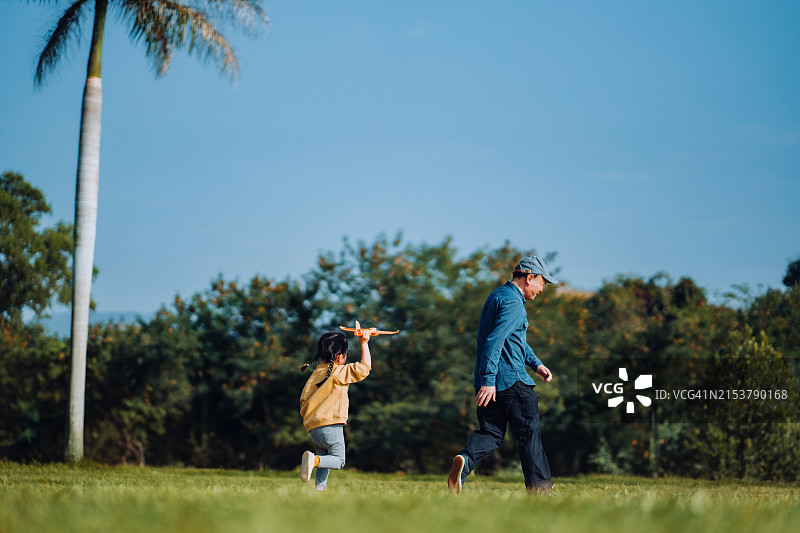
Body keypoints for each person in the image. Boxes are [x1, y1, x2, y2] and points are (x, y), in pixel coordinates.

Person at [448, 254, 558, 495]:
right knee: (529, 435)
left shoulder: (497, 296)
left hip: (488, 384)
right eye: (543, 282)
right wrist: (489, 380)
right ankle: (541, 491)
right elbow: (495, 340)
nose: (542, 289)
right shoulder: (514, 303)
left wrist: (536, 364)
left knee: (491, 433)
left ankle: (465, 461)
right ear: (529, 277)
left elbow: (513, 339)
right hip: (511, 382)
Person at [298, 329, 372, 491]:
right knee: (338, 460)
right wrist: (364, 343)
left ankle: (319, 490)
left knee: (325, 458)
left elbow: (303, 399)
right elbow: (365, 368)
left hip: (314, 427)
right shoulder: (339, 372)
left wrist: (311, 419)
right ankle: (314, 461)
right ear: (340, 357)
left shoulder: (316, 374)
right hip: (331, 425)